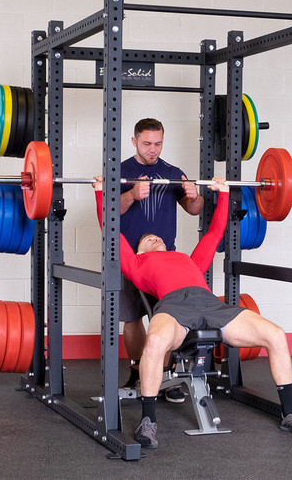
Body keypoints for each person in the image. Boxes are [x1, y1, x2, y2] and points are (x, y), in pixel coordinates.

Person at [93, 176, 292, 448]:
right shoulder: (136, 264)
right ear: (138, 251)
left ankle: (290, 414)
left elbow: (213, 234)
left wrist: (223, 194)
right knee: (154, 342)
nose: (154, 237)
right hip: (173, 307)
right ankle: (148, 421)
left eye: (156, 236)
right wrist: (101, 193)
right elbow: (110, 230)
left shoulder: (189, 260)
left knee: (276, 334)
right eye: (147, 239)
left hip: (211, 304)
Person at [119, 118, 204, 402]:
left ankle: (166, 374)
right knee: (131, 319)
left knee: (166, 318)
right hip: (130, 259)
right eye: (146, 144)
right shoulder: (120, 171)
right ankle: (136, 370)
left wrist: (195, 195)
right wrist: (131, 194)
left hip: (164, 264)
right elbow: (107, 209)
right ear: (134, 142)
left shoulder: (172, 172)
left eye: (157, 143)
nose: (152, 149)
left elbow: (194, 209)